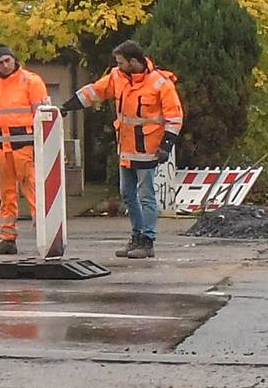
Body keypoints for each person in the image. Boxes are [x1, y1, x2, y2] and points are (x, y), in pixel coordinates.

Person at [70, 39, 184, 259]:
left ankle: (147, 241)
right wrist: (69, 106)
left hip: (148, 149)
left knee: (145, 195)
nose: (118, 66)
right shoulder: (117, 77)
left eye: (121, 62)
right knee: (128, 195)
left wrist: (166, 145)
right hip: (126, 148)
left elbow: (174, 116)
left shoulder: (160, 83)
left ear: (134, 61)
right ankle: (137, 236)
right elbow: (95, 91)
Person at [0, 44, 51, 255]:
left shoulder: (31, 81)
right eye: (0, 62)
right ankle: (8, 239)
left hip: (26, 147)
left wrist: (43, 145)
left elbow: (43, 115)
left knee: (35, 194)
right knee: (6, 196)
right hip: (3, 148)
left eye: (7, 60)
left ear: (14, 59)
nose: (5, 65)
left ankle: (46, 237)